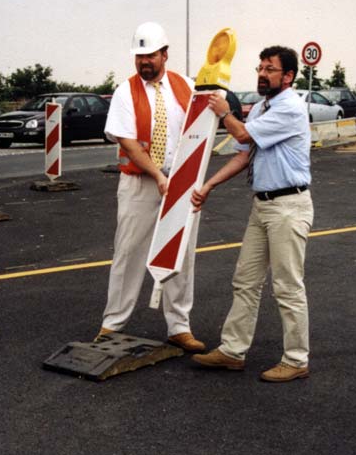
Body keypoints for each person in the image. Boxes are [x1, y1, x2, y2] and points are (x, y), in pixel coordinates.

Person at [190, 45, 314, 382]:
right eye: (260, 67)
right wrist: (208, 185)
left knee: (287, 286)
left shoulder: (289, 107)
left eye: (270, 69)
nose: (262, 74)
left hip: (288, 206)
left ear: (287, 76)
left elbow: (242, 133)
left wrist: (223, 111)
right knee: (245, 280)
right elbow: (243, 154)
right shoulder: (261, 108)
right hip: (263, 205)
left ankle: (296, 359)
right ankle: (232, 350)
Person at [97, 22, 205, 353]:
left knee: (180, 254)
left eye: (150, 56)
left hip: (182, 184)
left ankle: (179, 327)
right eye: (139, 56)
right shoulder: (124, 92)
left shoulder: (186, 86)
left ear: (164, 54)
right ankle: (112, 324)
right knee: (129, 252)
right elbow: (128, 142)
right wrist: (158, 175)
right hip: (140, 182)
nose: (144, 62)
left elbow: (201, 124)